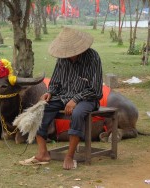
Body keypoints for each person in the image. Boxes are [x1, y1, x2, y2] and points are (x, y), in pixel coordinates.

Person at [19, 27, 103, 170]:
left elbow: (95, 88)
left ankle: (69, 156)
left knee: (77, 114)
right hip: (63, 96)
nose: (70, 55)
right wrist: (50, 92)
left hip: (88, 98)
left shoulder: (93, 57)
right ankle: (43, 152)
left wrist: (76, 100)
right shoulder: (62, 59)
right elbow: (56, 82)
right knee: (39, 109)